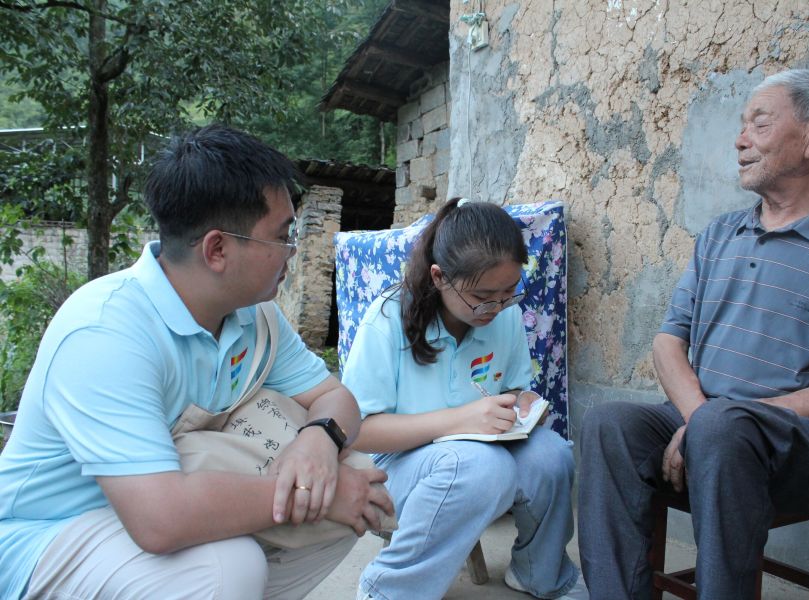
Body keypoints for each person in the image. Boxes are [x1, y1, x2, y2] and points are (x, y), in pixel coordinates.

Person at [0, 124, 394, 600]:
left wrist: (319, 440)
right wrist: (319, 496)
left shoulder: (254, 316)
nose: (293, 252)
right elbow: (160, 520)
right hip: (48, 538)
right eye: (283, 236)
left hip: (148, 512)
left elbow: (334, 396)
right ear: (217, 249)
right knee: (227, 566)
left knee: (352, 482)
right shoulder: (106, 332)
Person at [577, 69, 809, 599]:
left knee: (724, 428)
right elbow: (668, 342)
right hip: (707, 420)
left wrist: (718, 421)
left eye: (760, 123)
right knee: (608, 424)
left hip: (807, 447)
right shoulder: (721, 233)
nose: (740, 139)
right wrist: (699, 419)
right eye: (741, 124)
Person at [342, 198, 587, 600]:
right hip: (394, 466)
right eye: (483, 295)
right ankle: (387, 590)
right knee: (482, 466)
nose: (497, 307)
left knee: (551, 455)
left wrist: (521, 404)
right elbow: (359, 431)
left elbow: (512, 389)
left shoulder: (504, 314)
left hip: (476, 451)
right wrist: (462, 419)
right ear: (440, 277)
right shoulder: (387, 320)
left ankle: (540, 574)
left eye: (509, 292)